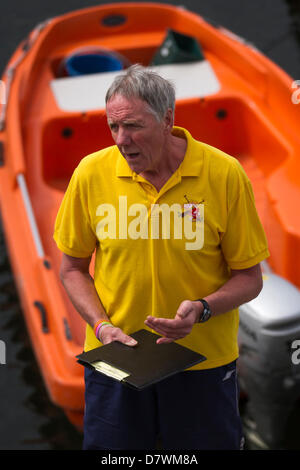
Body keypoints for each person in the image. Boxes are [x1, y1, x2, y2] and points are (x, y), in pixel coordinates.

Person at [53, 64, 269, 450]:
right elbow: (71, 268)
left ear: (168, 119)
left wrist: (202, 308)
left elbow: (249, 277)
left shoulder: (224, 174)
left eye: (133, 126)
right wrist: (102, 327)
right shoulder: (91, 173)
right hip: (114, 360)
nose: (121, 139)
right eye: (113, 127)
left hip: (202, 363)